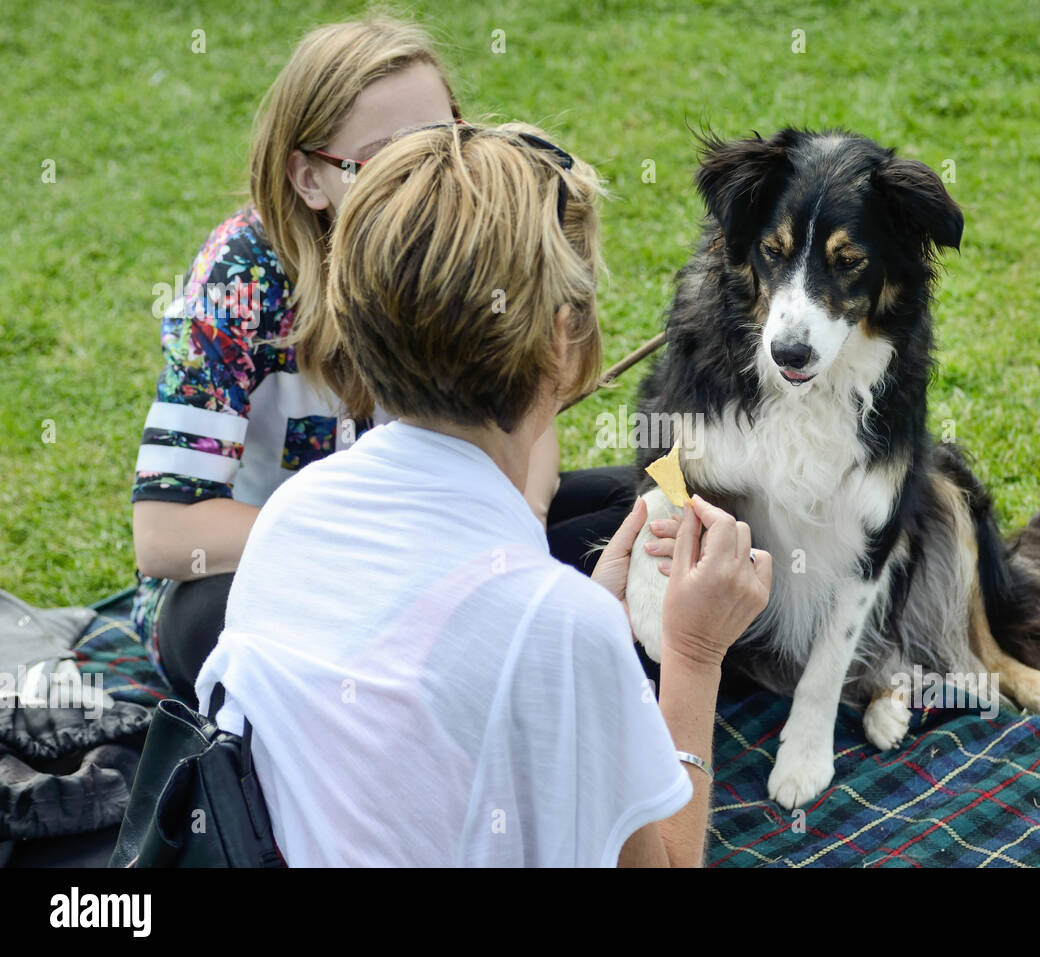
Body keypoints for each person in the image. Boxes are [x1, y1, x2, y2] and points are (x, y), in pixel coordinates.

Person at [194, 122, 773, 867]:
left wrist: (573, 624)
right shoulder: (559, 630)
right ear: (566, 339)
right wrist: (694, 654)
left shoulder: (293, 515)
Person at [130, 16, 647, 708]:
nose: (423, 180)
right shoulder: (241, 279)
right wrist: (394, 539)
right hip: (293, 571)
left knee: (638, 507)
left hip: (440, 544)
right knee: (211, 626)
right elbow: (165, 533)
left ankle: (502, 653)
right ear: (308, 178)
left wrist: (516, 528)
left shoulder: (465, 232)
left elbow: (524, 407)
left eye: (442, 143)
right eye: (382, 160)